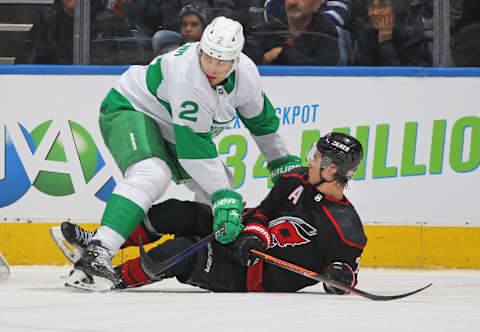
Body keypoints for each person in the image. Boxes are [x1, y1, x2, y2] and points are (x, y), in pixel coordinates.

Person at [64, 16, 302, 291]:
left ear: (236, 61)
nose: (212, 67)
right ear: (200, 49)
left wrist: (280, 161)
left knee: (216, 184)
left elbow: (261, 122)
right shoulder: (186, 76)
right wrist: (224, 197)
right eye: (208, 57)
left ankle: (104, 237)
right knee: (153, 172)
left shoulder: (246, 75)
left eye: (221, 61)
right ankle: (100, 250)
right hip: (131, 109)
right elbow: (194, 151)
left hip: (172, 129)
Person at [56, 132, 367, 293]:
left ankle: (113, 279)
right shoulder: (296, 178)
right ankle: (101, 245)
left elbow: (342, 277)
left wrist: (339, 277)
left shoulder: (348, 229)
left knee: (181, 252)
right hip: (240, 234)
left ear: (330, 170)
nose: (310, 161)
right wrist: (253, 232)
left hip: (251, 275)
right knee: (177, 212)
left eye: (317, 158)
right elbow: (267, 210)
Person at [245, 0, 350, 65]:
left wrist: (283, 54)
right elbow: (249, 59)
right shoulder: (270, 28)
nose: (293, 2)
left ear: (316, 4)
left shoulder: (326, 30)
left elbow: (324, 64)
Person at [351, 0, 432, 66]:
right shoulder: (367, 31)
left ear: (397, 9)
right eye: (371, 7)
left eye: (382, 7)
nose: (375, 13)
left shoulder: (415, 33)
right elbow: (360, 73)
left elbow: (406, 78)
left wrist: (385, 43)